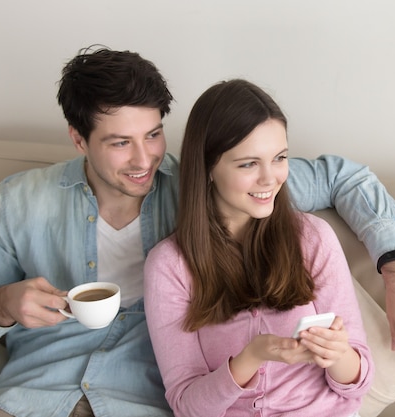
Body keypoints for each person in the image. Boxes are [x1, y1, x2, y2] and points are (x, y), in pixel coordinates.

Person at [0, 46, 395, 417]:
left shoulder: (211, 183)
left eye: (154, 134)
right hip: (29, 396)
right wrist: (2, 305)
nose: (144, 160)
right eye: (119, 143)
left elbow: (340, 177)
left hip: (139, 402)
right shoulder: (21, 202)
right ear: (78, 139)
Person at [144, 79, 374, 416]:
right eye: (248, 164)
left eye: (279, 158)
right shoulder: (169, 265)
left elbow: (359, 380)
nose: (271, 179)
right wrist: (251, 357)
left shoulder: (313, 239)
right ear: (208, 168)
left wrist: (338, 354)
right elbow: (187, 405)